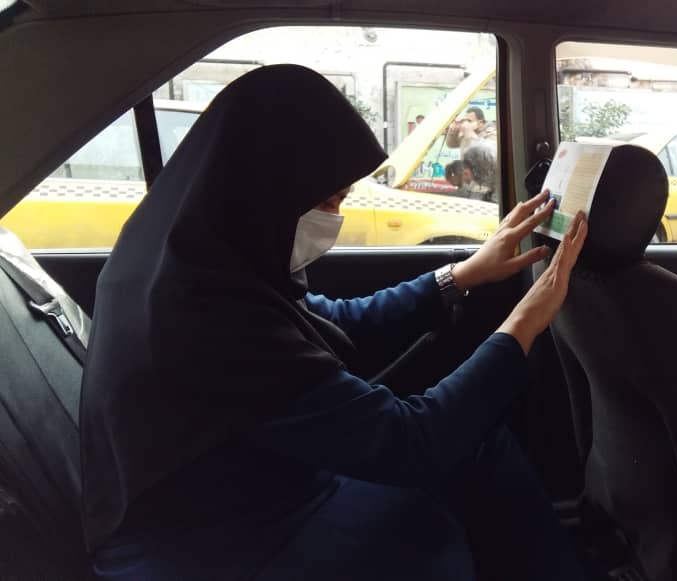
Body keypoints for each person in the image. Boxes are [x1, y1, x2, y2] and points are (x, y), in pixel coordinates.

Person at [79, 64, 588, 580]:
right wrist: (525, 321)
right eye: (327, 201)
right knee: (462, 455)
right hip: (217, 545)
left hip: (241, 498)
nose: (335, 217)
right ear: (269, 184)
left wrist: (460, 276)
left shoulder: (194, 259)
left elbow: (327, 323)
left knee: (476, 448)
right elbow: (413, 444)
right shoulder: (202, 313)